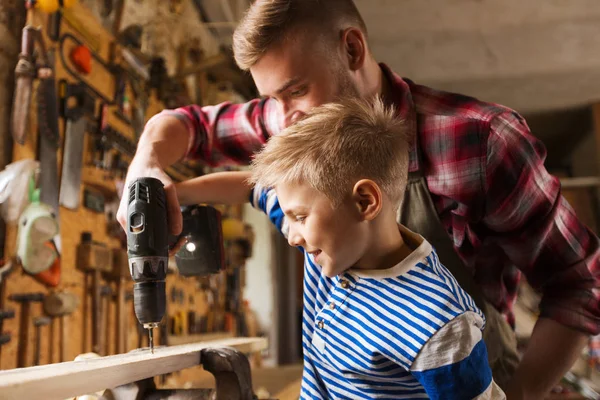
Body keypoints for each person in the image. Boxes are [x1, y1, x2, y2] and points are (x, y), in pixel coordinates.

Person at [117, 1, 600, 398]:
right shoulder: (293, 122)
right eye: (270, 100)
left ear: (351, 49)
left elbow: (579, 285)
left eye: (295, 91)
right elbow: (189, 127)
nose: (282, 120)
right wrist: (147, 171)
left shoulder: (482, 141)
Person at [175, 97, 506, 399]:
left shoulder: (438, 324)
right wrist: (173, 196)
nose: (291, 235)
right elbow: (250, 189)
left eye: (300, 217)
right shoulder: (331, 246)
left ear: (364, 202)